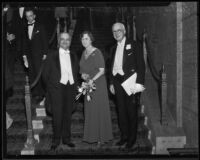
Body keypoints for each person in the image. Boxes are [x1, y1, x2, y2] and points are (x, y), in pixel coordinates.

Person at [109, 22, 145, 149]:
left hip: (130, 83)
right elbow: (111, 67)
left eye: (119, 30)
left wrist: (139, 84)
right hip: (117, 83)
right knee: (121, 111)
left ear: (124, 31)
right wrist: (111, 83)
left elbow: (141, 65)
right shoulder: (113, 48)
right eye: (114, 31)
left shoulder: (134, 44)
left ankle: (132, 139)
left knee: (131, 112)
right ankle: (124, 137)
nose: (116, 33)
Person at [42, 32, 78, 150]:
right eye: (62, 39)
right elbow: (45, 75)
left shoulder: (73, 55)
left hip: (70, 88)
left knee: (67, 115)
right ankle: (56, 140)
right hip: (56, 90)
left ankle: (67, 138)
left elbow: (76, 73)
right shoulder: (51, 55)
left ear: (70, 42)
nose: (65, 41)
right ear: (58, 41)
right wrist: (52, 88)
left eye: (67, 39)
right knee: (57, 116)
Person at [79, 31, 113, 146]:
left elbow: (102, 70)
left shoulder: (97, 52)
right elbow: (82, 70)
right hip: (88, 85)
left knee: (98, 110)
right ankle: (91, 136)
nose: (84, 41)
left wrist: (92, 80)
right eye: (83, 39)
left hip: (98, 85)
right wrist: (83, 75)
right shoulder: (83, 53)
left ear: (91, 40)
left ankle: (101, 137)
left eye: (87, 39)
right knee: (90, 111)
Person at [22, 7, 48, 105]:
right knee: (32, 74)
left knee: (40, 75)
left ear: (34, 16)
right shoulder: (25, 27)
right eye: (27, 16)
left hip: (40, 56)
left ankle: (43, 95)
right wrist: (24, 57)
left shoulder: (40, 26)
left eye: (30, 16)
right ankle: (35, 94)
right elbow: (24, 42)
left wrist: (45, 54)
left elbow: (45, 41)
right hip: (29, 57)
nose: (29, 18)